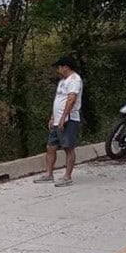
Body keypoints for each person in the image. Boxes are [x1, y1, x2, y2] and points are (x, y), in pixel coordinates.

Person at [34, 56, 83, 187]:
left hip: (69, 119)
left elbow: (71, 100)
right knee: (51, 147)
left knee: (68, 147)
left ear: (66, 67)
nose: (58, 69)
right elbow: (58, 100)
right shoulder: (62, 81)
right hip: (57, 119)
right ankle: (49, 174)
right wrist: (53, 117)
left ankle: (67, 176)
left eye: (59, 67)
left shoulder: (74, 80)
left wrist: (63, 118)